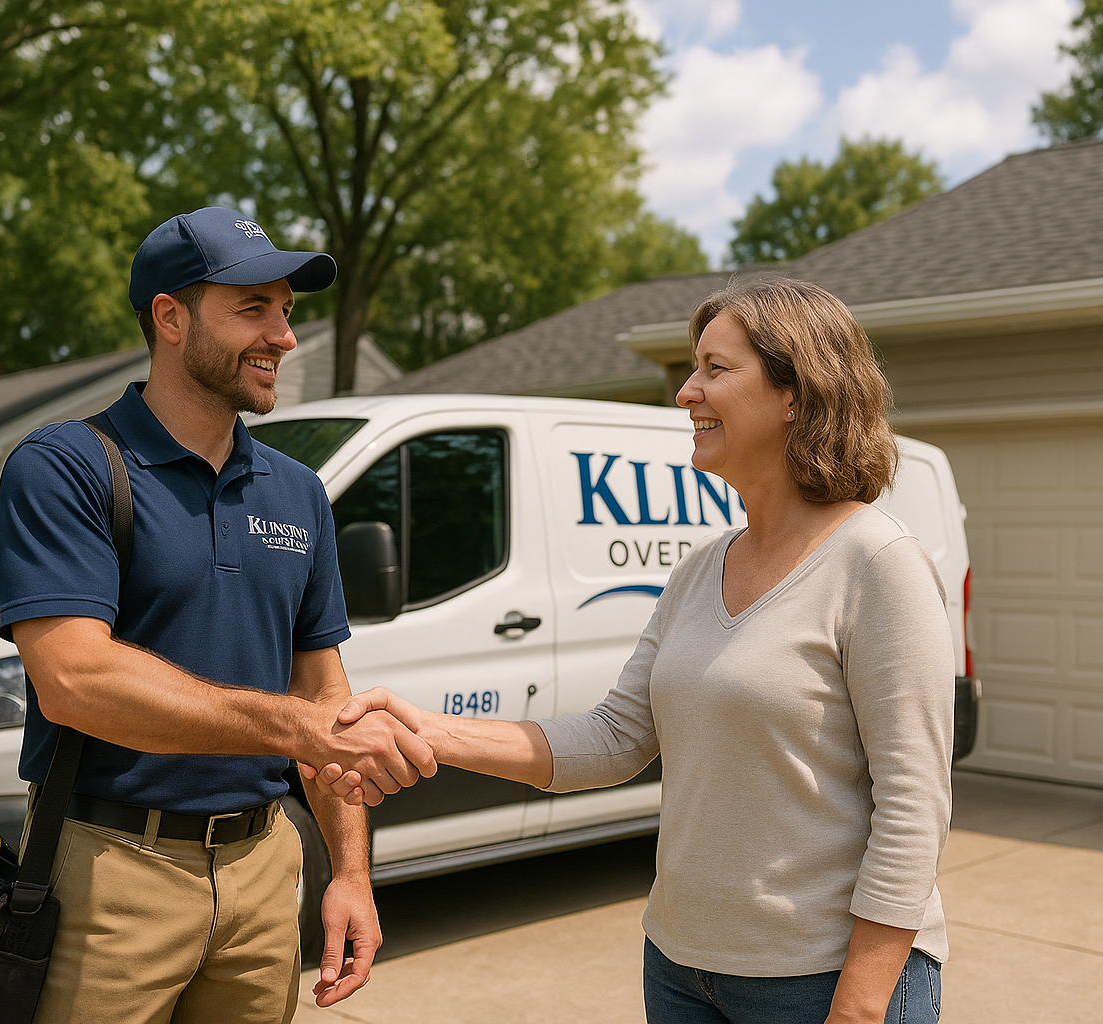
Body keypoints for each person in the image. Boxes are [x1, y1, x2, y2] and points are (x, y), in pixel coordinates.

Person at [326, 277, 954, 1024]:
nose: (687, 392)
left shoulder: (876, 563)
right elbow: (614, 739)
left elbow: (913, 807)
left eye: (716, 369)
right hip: (683, 969)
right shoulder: (700, 569)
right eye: (693, 369)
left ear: (796, 392)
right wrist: (427, 730)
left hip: (818, 978)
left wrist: (860, 1005)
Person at [0, 206, 436, 1024]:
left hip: (265, 869)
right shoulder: (65, 465)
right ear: (170, 317)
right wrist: (296, 729)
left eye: (287, 311)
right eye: (253, 308)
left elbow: (325, 694)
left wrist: (350, 873)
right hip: (111, 869)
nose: (284, 337)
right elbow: (75, 680)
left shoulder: (298, 492)